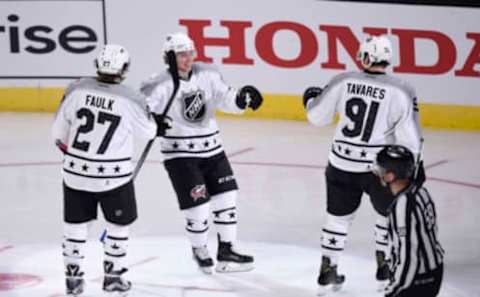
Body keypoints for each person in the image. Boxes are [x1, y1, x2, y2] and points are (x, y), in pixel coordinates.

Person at [303, 35, 424, 295]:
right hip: (379, 168)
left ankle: (328, 268)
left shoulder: (344, 80)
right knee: (386, 215)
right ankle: (385, 265)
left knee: (337, 219)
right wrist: (414, 164)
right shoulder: (401, 89)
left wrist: (309, 101)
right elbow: (410, 137)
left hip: (341, 163)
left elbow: (316, 117)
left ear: (365, 57)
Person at [140, 32, 262, 274]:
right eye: (181, 54)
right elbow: (140, 115)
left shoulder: (208, 73)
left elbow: (225, 98)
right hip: (181, 155)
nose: (187, 58)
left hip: (213, 149)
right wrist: (153, 124)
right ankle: (200, 249)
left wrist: (242, 99)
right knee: (198, 208)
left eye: (190, 53)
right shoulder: (156, 84)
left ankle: (227, 251)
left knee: (227, 199)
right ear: (169, 57)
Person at [51, 44, 157, 296]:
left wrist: (74, 157)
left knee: (75, 226)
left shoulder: (76, 89)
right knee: (118, 226)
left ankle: (73, 280)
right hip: (114, 178)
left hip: (75, 173)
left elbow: (58, 132)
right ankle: (113, 278)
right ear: (124, 69)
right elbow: (149, 132)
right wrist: (154, 119)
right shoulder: (131, 98)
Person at [374, 145, 444, 297]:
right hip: (434, 270)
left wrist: (396, 289)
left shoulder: (403, 205)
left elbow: (408, 254)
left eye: (381, 170)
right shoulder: (421, 191)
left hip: (417, 280)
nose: (379, 173)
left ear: (390, 176)